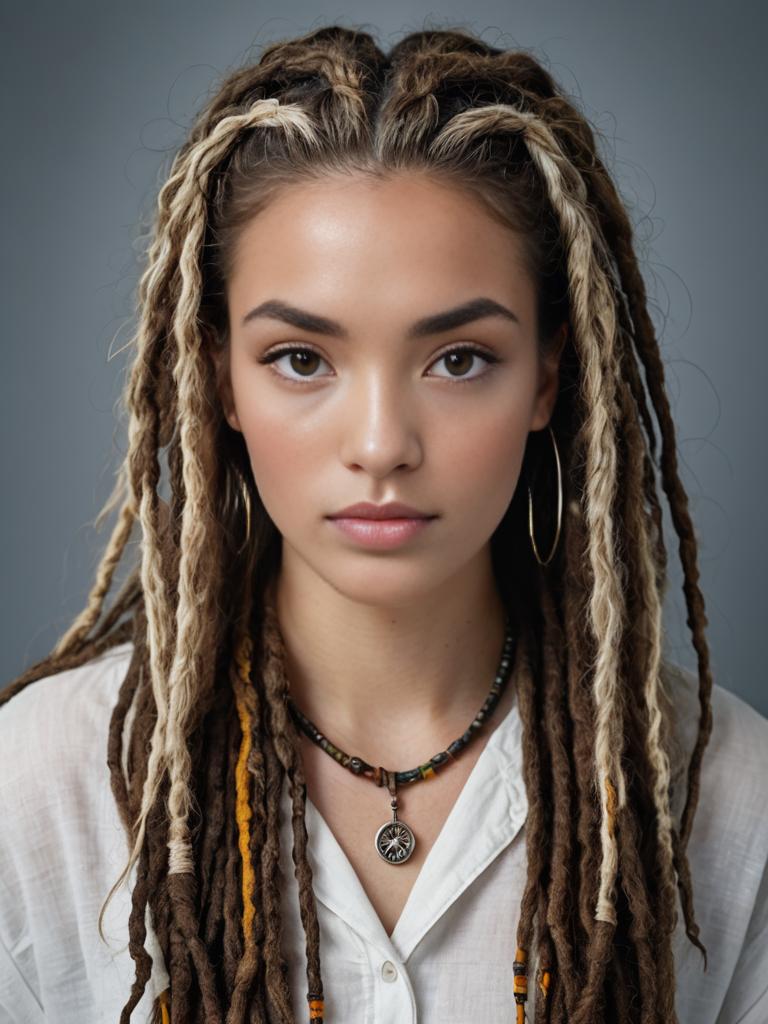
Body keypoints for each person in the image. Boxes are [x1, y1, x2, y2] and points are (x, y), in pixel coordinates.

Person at [1, 22, 766, 1024]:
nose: (381, 444)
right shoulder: (37, 790)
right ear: (218, 377)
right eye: (301, 359)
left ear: (548, 376)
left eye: (459, 359)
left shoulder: (728, 796)